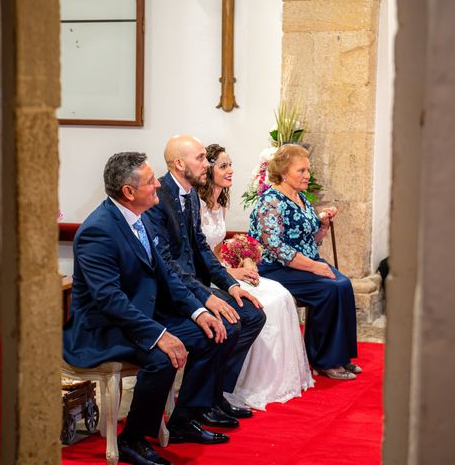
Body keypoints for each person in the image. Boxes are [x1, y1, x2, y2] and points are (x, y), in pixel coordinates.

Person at [63, 152, 236, 465]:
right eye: (150, 180)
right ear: (129, 193)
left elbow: (167, 275)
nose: (159, 183)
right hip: (102, 328)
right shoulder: (97, 231)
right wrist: (160, 335)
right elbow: (109, 300)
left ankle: (184, 417)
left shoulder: (137, 218)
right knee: (162, 357)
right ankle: (133, 438)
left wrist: (200, 312)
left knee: (212, 333)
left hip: (139, 317)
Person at [145, 134, 267, 423]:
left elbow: (200, 247)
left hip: (195, 284)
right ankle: (193, 408)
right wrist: (206, 297)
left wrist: (231, 284)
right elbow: (168, 265)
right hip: (170, 294)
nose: (206, 164)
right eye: (200, 158)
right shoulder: (159, 199)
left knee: (251, 315)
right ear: (178, 163)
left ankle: (214, 394)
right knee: (227, 325)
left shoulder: (188, 195)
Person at [198, 144, 313, 410]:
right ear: (208, 170)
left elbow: (214, 251)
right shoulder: (197, 206)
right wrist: (230, 273)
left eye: (230, 165)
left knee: (280, 294)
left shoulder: (219, 205)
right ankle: (241, 382)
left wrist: (240, 263)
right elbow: (198, 257)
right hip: (207, 278)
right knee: (266, 304)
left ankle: (272, 379)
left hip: (220, 271)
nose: (230, 170)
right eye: (223, 166)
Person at [248, 144, 362, 380]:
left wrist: (323, 225)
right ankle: (323, 360)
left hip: (306, 261)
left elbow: (311, 237)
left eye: (307, 170)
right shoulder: (270, 201)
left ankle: (340, 356)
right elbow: (276, 247)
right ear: (283, 172)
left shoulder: (299, 197)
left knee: (344, 284)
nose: (307, 175)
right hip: (278, 268)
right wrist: (314, 266)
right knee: (331, 288)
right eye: (301, 171)